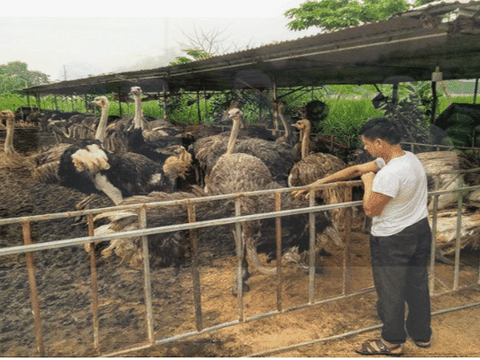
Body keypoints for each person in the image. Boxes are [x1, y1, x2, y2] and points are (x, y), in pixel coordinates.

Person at [293, 117, 432, 356]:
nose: (365, 148)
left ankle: (391, 342)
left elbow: (370, 209)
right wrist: (318, 183)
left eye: (367, 143)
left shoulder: (390, 174)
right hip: (419, 230)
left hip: (393, 238)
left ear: (379, 142)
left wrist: (369, 182)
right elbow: (357, 169)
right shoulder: (409, 158)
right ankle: (421, 334)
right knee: (417, 284)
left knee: (390, 290)